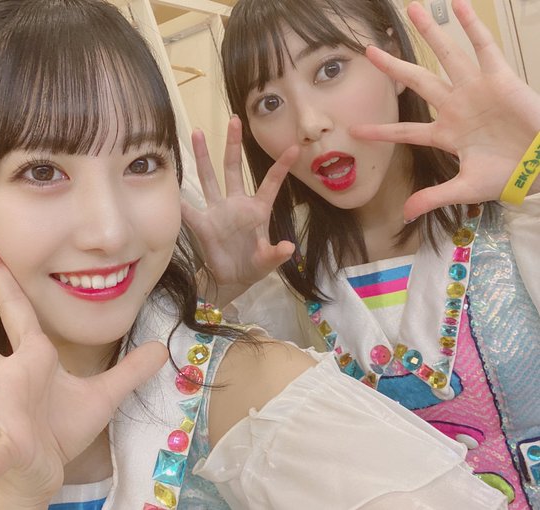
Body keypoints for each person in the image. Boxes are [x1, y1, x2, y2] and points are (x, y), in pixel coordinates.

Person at [0, 0, 513, 508]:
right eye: (42, 172)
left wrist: (530, 175)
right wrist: (16, 495)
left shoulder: (249, 391)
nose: (111, 230)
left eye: (142, 162)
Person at [182, 0, 540, 507]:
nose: (309, 123)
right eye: (269, 101)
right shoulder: (278, 278)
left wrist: (536, 173)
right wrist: (219, 289)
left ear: (392, 55)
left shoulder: (517, 217)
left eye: (330, 69)